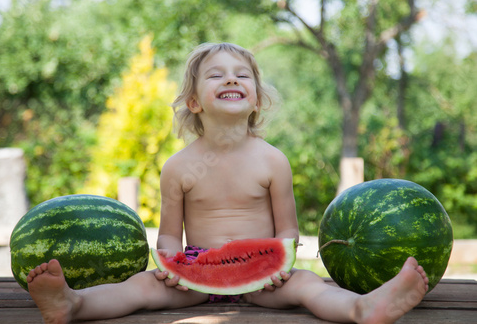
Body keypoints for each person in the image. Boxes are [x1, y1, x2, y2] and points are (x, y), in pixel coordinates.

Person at [26, 42, 429, 324]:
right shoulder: (178, 167)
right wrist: (169, 267)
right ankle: (73, 305)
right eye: (216, 75)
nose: (230, 79)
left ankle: (363, 310)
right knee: (140, 289)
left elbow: (288, 228)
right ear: (194, 102)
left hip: (266, 278)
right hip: (195, 274)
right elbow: (169, 237)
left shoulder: (273, 160)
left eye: (242, 76)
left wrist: (282, 261)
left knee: (310, 286)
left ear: (255, 99)